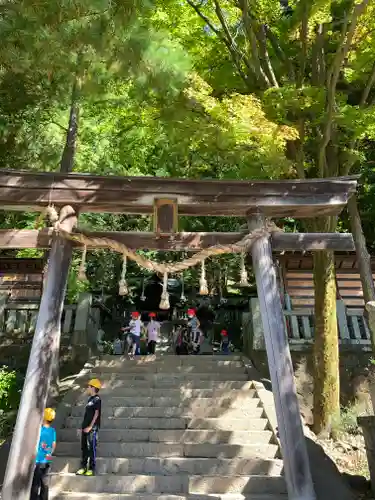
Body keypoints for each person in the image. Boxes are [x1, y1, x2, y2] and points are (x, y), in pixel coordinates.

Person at [76, 378, 102, 477]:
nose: (87, 388)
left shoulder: (97, 399)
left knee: (91, 447)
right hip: (85, 427)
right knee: (84, 447)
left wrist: (91, 427)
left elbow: (96, 413)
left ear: (93, 388)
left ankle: (91, 468)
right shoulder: (90, 399)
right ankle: (83, 467)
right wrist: (82, 427)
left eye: (89, 386)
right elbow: (87, 415)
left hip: (92, 428)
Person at [30, 407, 56, 500]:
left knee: (35, 484)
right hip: (47, 461)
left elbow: (34, 444)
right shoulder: (53, 431)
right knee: (45, 484)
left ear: (43, 418)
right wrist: (49, 453)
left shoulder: (39, 430)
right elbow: (53, 445)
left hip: (38, 460)